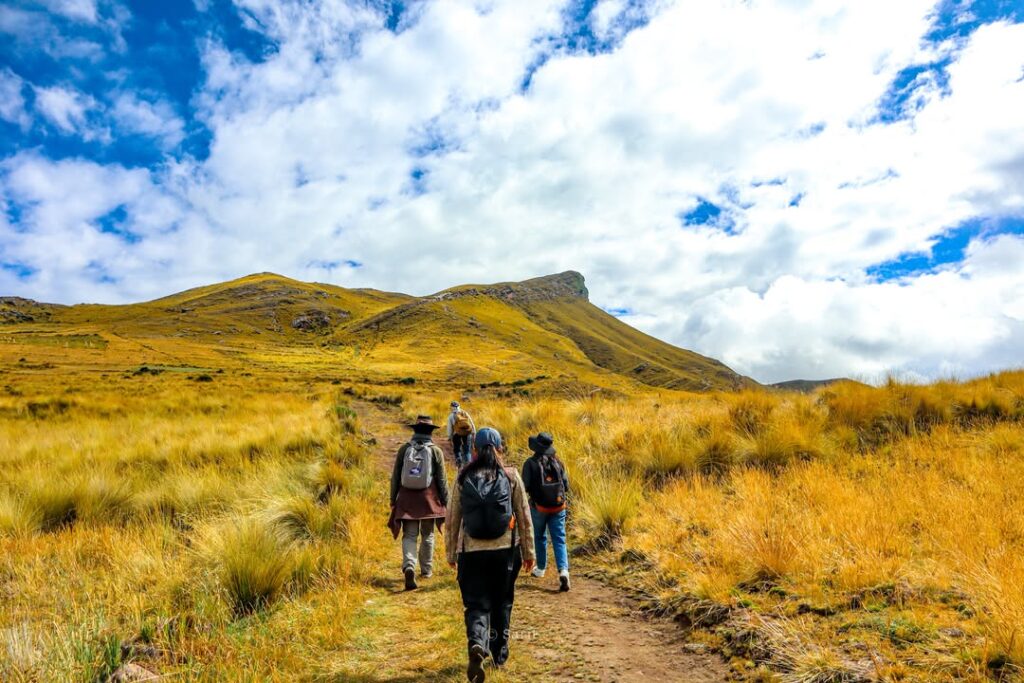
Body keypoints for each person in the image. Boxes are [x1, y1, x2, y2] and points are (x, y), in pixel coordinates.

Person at [446, 428, 535, 682]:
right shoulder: (511, 476)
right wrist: (529, 552)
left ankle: (477, 643)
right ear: (499, 449)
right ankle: (499, 653)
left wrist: (451, 553)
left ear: (474, 450)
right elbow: (524, 517)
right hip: (505, 553)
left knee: (476, 604)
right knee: (502, 602)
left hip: (472, 553)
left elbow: (452, 518)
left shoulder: (463, 477)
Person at [388, 415, 449, 591]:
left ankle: (409, 566)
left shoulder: (404, 449)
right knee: (428, 534)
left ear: (415, 430)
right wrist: (446, 502)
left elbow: (395, 477)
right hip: (428, 498)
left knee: (409, 535)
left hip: (407, 498)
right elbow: (442, 480)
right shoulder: (436, 451)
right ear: (431, 432)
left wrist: (393, 499)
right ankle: (427, 570)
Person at [521, 432, 571, 592]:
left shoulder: (530, 463)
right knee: (559, 538)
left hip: (539, 508)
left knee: (540, 536)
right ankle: (563, 571)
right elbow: (566, 486)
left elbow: (525, 486)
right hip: (558, 507)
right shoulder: (558, 462)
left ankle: (541, 568)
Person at [446, 401, 476, 467]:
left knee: (457, 449)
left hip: (457, 434)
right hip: (467, 433)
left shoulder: (451, 416)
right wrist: (474, 433)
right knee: (467, 450)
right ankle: (468, 464)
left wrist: (449, 437)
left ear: (451, 407)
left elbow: (449, 428)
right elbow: (471, 423)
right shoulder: (465, 413)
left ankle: (459, 462)